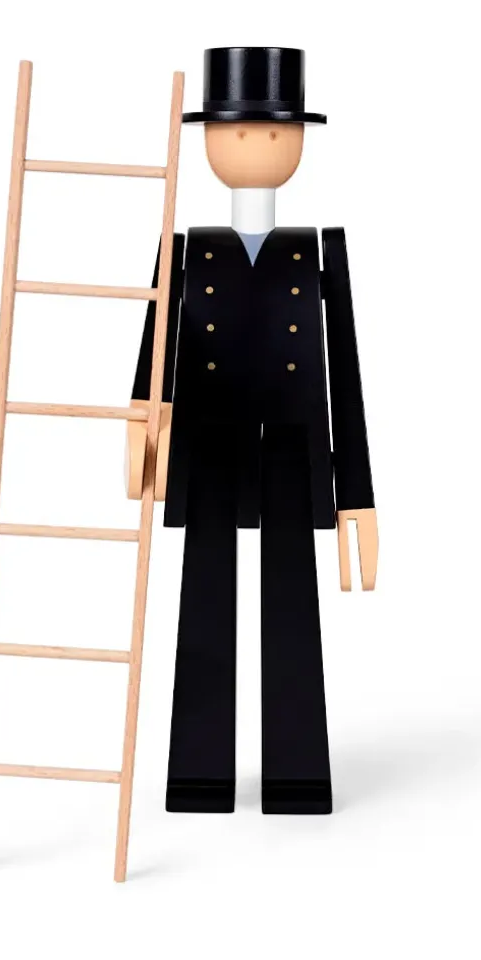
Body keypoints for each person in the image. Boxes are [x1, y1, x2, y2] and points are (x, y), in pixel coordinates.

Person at [130, 47, 378, 814]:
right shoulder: (184, 250)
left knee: (293, 605)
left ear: (297, 138)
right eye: (236, 129)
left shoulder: (319, 250)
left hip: (295, 452)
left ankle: (298, 772)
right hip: (206, 447)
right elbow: (154, 353)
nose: (256, 142)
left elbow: (345, 374)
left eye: (274, 130)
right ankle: (197, 771)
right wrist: (142, 429)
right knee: (203, 604)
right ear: (210, 139)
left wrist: (357, 494)